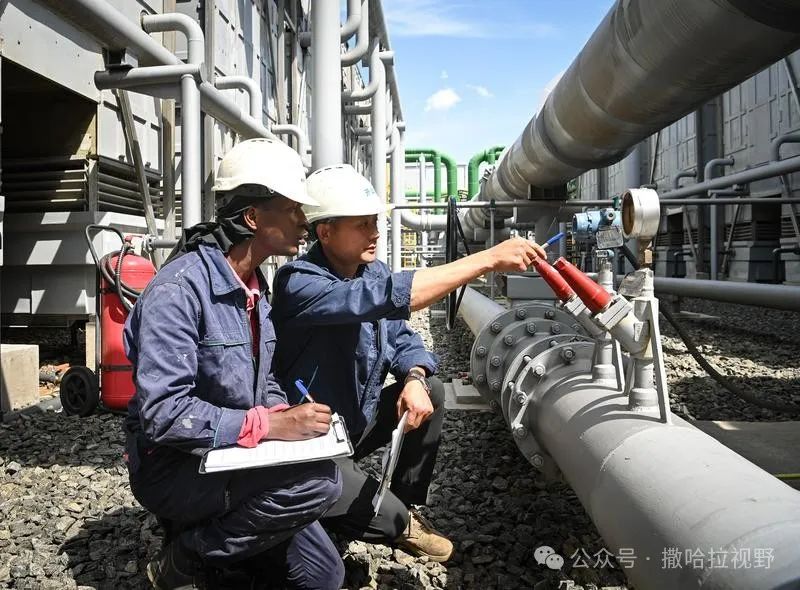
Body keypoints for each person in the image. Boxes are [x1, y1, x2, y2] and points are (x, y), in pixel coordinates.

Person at [270, 164, 545, 563]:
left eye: (375, 221)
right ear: (325, 232)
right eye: (362, 224)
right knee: (388, 523)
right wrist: (486, 259)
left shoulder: (373, 271)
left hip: (352, 427)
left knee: (431, 388)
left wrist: (414, 376)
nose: (375, 232)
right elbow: (384, 298)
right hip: (310, 441)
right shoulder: (299, 282)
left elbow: (402, 338)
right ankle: (379, 518)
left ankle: (402, 502)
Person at [123, 139, 344, 590]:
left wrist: (282, 410)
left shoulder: (254, 287)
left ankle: (216, 537)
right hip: (174, 467)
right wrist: (268, 426)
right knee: (319, 483)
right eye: (293, 209)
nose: (304, 221)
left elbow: (265, 380)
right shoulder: (179, 291)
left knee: (324, 575)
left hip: (233, 454)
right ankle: (186, 555)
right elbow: (164, 413)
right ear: (253, 218)